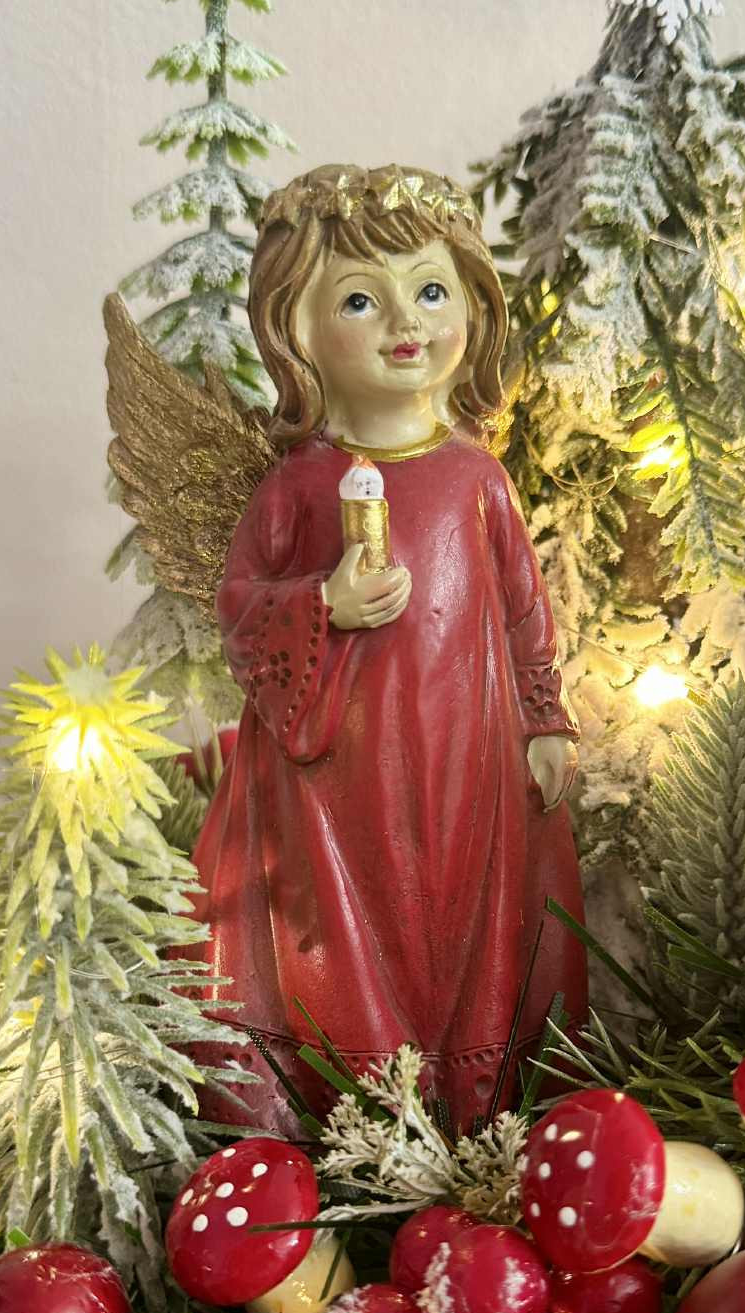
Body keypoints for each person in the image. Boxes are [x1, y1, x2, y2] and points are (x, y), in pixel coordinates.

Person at [190, 162, 586, 1132]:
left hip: (468, 754)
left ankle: (473, 1097)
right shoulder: (297, 488)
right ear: (299, 331)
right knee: (352, 919)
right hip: (338, 778)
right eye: (361, 300)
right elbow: (240, 607)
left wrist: (543, 720)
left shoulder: (477, 478)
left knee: (467, 914)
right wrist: (323, 603)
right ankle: (360, 1105)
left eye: (431, 290)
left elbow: (524, 608)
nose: (406, 321)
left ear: (472, 306)